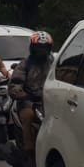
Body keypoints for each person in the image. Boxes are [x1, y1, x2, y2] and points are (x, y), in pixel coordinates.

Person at [10, 30, 54, 158]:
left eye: (44, 48)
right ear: (32, 48)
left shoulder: (53, 63)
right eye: (39, 48)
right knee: (28, 116)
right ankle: (28, 149)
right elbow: (15, 84)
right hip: (28, 102)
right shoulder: (25, 64)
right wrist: (22, 94)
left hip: (48, 101)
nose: (42, 51)